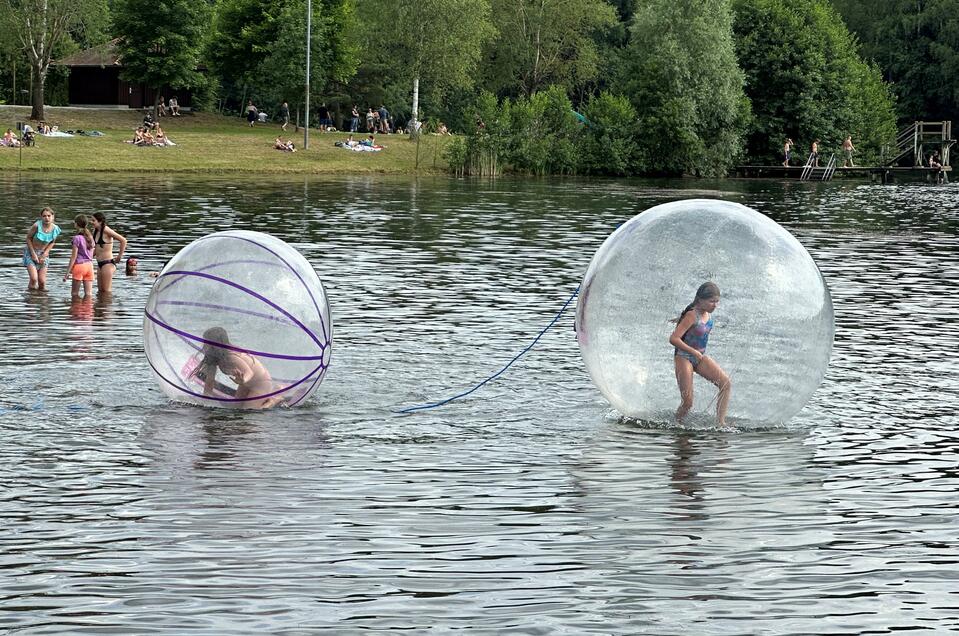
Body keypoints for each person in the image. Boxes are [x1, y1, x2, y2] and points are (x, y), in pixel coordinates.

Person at [668, 282, 731, 426]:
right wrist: (693, 351)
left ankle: (721, 423)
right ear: (700, 300)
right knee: (688, 402)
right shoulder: (691, 315)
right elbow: (673, 339)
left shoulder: (707, 314)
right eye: (711, 301)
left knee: (725, 384)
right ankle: (675, 424)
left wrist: (680, 320)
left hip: (699, 357)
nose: (715, 305)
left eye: (717, 301)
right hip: (684, 357)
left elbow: (695, 328)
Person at [191, 327, 284, 409]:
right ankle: (273, 390)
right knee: (236, 408)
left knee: (249, 411)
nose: (204, 346)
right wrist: (204, 403)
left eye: (206, 342)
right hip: (244, 382)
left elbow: (249, 372)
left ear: (216, 344)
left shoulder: (231, 357)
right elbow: (209, 383)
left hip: (260, 381)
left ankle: (274, 399)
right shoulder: (213, 358)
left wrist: (243, 380)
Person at [23, 207, 62, 290]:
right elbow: (28, 238)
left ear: (53, 216)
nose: (46, 218)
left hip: (43, 253)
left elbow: (52, 242)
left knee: (42, 281)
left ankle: (42, 299)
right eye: (44, 216)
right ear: (41, 217)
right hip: (31, 252)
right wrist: (33, 254)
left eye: (49, 216)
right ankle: (31, 298)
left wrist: (45, 254)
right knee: (34, 278)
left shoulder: (55, 229)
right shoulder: (36, 226)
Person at [90, 212, 128, 294]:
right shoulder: (95, 231)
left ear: (100, 221)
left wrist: (119, 256)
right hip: (99, 263)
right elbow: (97, 249)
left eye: (93, 220)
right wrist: (87, 258)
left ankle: (107, 306)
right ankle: (100, 306)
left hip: (107, 263)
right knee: (100, 291)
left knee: (106, 292)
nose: (91, 222)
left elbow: (123, 240)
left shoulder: (106, 230)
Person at [62, 214, 96, 300]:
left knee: (74, 294)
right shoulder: (90, 237)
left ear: (76, 224)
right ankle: (88, 312)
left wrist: (67, 273)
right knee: (88, 294)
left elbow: (73, 257)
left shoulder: (77, 238)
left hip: (80, 266)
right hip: (90, 266)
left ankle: (76, 312)